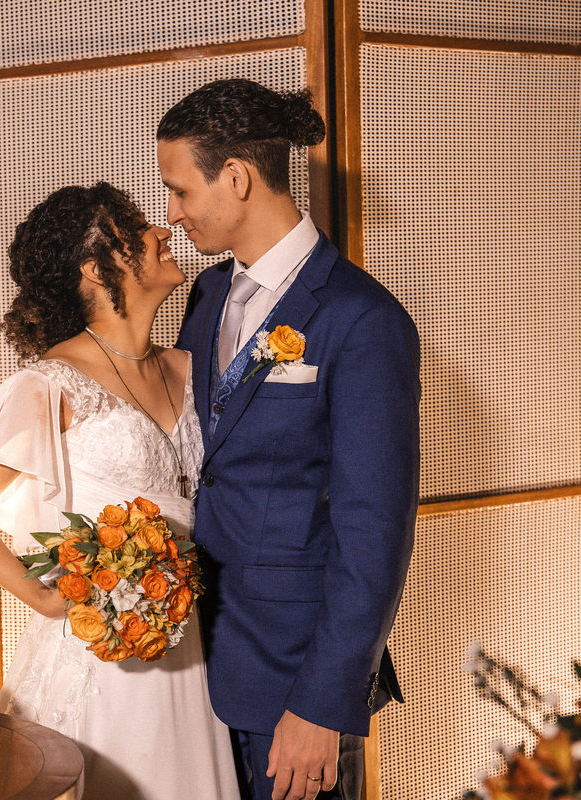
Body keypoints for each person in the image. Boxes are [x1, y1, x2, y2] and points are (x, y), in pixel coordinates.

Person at [0, 182, 242, 799]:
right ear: (96, 270)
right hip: (101, 657)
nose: (162, 231)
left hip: (191, 647)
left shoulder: (189, 368)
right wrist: (47, 600)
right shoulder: (50, 384)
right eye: (136, 228)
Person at [157, 79, 420, 800]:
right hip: (193, 663)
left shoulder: (363, 320)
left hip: (293, 679)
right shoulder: (208, 295)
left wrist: (322, 702)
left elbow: (375, 529)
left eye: (181, 191)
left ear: (236, 177)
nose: (172, 213)